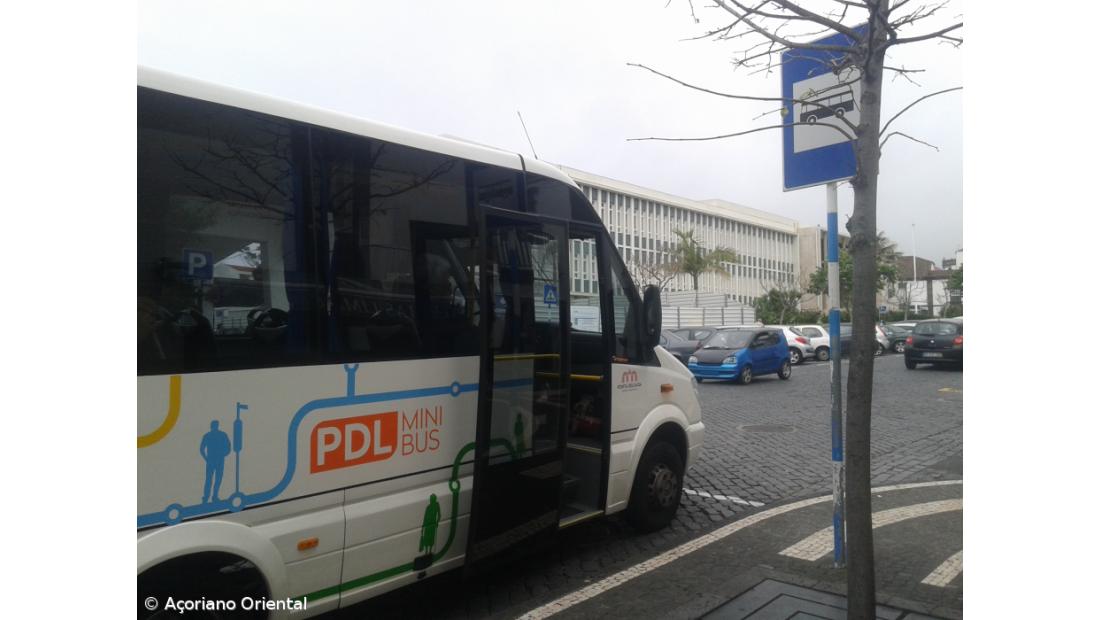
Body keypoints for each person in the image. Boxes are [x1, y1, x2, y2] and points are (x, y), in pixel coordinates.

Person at [200, 420, 231, 503]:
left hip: (217, 460)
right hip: (212, 460)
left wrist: (223, 454)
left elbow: (228, 447)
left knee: (217, 479)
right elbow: (201, 449)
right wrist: (206, 458)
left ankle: (214, 496)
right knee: (210, 479)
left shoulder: (222, 435)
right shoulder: (208, 435)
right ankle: (207, 497)